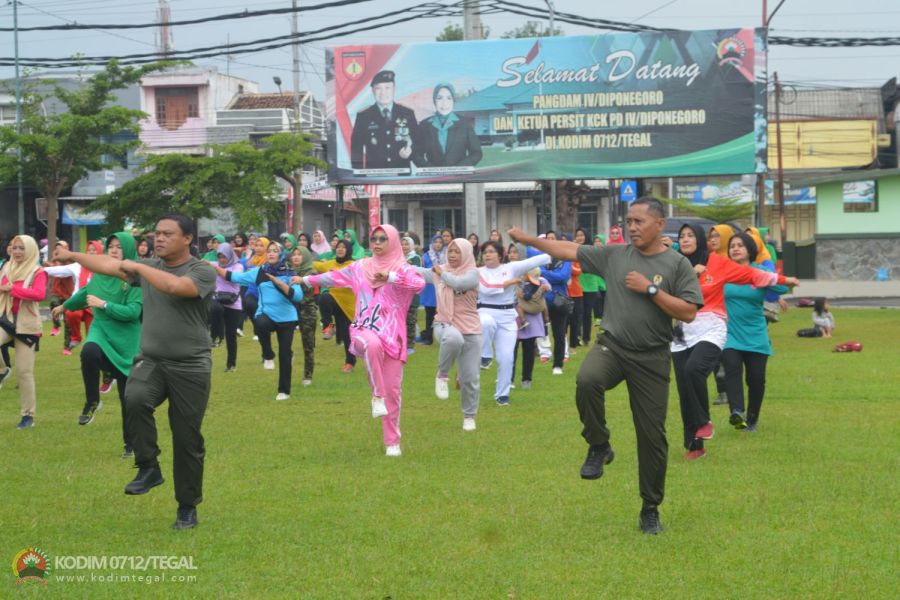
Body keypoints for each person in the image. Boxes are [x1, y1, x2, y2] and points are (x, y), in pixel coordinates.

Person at [508, 197, 704, 535]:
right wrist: (529, 241)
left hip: (652, 356)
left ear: (659, 224)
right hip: (612, 345)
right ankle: (599, 445)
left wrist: (651, 289)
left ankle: (650, 507)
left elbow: (688, 311)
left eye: (639, 221)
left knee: (652, 437)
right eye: (628, 221)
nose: (631, 227)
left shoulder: (676, 265)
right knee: (587, 380)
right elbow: (568, 249)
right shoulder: (615, 255)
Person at [54, 213, 217, 530]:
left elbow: (176, 287)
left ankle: (187, 506)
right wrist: (73, 255)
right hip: (152, 360)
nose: (159, 238)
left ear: (187, 239)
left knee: (187, 439)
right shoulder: (149, 267)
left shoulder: (201, 270)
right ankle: (148, 467)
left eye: (168, 233)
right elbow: (110, 266)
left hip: (191, 365)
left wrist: (140, 267)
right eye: (156, 233)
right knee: (135, 398)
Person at [672, 223, 797, 460]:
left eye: (691, 235)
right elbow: (663, 289)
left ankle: (714, 419)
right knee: (684, 390)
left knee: (695, 370)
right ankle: (695, 445)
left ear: (701, 239)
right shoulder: (674, 263)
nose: (686, 239)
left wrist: (783, 279)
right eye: (682, 236)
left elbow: (753, 274)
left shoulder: (717, 263)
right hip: (681, 330)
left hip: (713, 326)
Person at [300, 224, 425, 456]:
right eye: (374, 239)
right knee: (371, 344)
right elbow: (333, 277)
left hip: (393, 337)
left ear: (393, 242)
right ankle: (376, 396)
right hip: (362, 330)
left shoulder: (403, 268)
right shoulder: (360, 267)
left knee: (394, 393)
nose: (376, 243)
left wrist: (391, 277)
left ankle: (392, 442)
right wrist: (307, 280)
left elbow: (419, 284)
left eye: (382, 239)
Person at [52, 233, 142, 457]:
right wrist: (65, 307)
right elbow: (85, 293)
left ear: (129, 250)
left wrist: (104, 304)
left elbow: (133, 313)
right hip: (101, 330)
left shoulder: (135, 278)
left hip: (126, 340)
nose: (113, 250)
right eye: (110, 246)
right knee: (89, 352)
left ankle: (130, 444)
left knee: (127, 398)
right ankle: (93, 401)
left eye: (119, 247)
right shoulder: (100, 275)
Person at [721, 232, 790, 432]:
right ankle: (737, 412)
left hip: (756, 334)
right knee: (732, 369)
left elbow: (781, 289)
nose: (735, 248)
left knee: (756, 379)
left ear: (750, 250)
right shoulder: (725, 273)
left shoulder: (758, 272)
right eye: (732, 245)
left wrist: (766, 279)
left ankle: (752, 419)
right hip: (730, 333)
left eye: (740, 245)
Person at [412, 239, 482, 431]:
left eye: (457, 252)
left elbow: (459, 284)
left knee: (470, 378)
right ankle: (442, 375)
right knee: (453, 338)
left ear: (466, 254)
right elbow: (418, 273)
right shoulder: (439, 270)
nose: (452, 255)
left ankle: (469, 415)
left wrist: (442, 274)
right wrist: (395, 268)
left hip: (471, 328)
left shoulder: (473, 274)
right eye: (450, 251)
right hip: (444, 323)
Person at [221, 241, 303, 400]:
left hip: (287, 318)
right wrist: (215, 269)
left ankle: (284, 391)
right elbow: (235, 277)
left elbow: (298, 296)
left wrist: (281, 283)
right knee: (259, 324)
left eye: (275, 251)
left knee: (285, 354)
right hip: (267, 314)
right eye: (269, 251)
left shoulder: (290, 273)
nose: (271, 253)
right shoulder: (259, 272)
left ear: (281, 254)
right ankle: (268, 354)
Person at [477, 241, 550, 405]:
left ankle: (502, 395)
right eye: (485, 252)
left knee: (507, 358)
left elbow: (536, 260)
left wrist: (556, 250)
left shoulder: (511, 268)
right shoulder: (478, 271)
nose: (487, 255)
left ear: (500, 254)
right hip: (485, 311)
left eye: (491, 251)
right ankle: (485, 356)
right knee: (486, 322)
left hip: (508, 316)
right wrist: (509, 283)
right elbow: (487, 289)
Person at [0, 234, 46, 430]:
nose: (17, 252)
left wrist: (13, 290)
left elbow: (39, 294)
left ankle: (28, 416)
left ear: (30, 250)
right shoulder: (7, 267)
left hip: (27, 326)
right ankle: (2, 370)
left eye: (21, 248)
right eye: (15, 248)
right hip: (7, 320)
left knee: (24, 373)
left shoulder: (38, 271)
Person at [44, 241, 103, 355]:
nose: (91, 252)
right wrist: (41, 270)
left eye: (94, 250)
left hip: (94, 306)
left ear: (99, 251)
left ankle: (102, 363)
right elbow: (59, 271)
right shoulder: (78, 266)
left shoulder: (103, 267)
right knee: (71, 312)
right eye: (89, 250)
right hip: (79, 302)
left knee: (92, 339)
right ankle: (75, 337)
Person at [350, 70, 418, 171]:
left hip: (401, 175)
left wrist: (411, 151)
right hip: (374, 175)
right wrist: (360, 173)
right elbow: (356, 149)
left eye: (387, 88)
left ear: (394, 89)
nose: (383, 93)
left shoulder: (407, 113)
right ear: (373, 91)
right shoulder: (363, 116)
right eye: (378, 88)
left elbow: (419, 142)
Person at [314, 240, 358, 372]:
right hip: (333, 301)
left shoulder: (354, 265)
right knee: (324, 297)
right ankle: (328, 326)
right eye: (338, 247)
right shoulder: (330, 263)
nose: (340, 249)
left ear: (348, 250)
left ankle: (350, 363)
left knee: (347, 336)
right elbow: (315, 265)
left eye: (343, 247)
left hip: (347, 306)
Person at [414, 83, 482, 168]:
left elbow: (476, 153)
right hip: (434, 178)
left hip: (459, 177)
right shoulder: (424, 125)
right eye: (439, 98)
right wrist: (430, 170)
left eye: (449, 98)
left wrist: (460, 168)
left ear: (454, 101)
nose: (444, 103)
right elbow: (416, 155)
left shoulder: (465, 124)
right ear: (434, 101)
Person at [208, 242, 244, 371]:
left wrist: (216, 268)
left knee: (231, 335)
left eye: (224, 257)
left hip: (234, 304)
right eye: (219, 257)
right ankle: (214, 336)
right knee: (215, 308)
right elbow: (199, 263)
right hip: (217, 300)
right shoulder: (215, 264)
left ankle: (231, 364)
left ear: (230, 256)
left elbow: (232, 278)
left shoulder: (238, 266)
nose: (222, 260)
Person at [541, 246, 572, 375]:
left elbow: (563, 276)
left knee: (559, 333)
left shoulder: (566, 260)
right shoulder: (542, 259)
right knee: (540, 332)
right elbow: (538, 273)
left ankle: (558, 364)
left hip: (559, 301)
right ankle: (544, 354)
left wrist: (547, 275)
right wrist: (555, 276)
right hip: (542, 301)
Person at [291, 246, 318, 386]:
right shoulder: (289, 272)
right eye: (294, 254)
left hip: (307, 311)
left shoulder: (311, 273)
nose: (296, 257)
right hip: (291, 310)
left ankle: (308, 375)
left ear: (306, 256)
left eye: (299, 255)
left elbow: (305, 290)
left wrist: (298, 280)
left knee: (308, 345)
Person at [416, 234, 444, 345]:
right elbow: (422, 270)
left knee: (442, 313)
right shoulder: (426, 256)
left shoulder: (445, 255)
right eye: (435, 242)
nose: (438, 244)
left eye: (440, 242)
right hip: (429, 288)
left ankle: (443, 336)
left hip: (441, 286)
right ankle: (428, 337)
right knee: (429, 313)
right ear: (432, 243)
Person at [241, 236, 269, 343]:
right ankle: (257, 330)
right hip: (252, 291)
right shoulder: (252, 260)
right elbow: (241, 263)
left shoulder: (269, 261)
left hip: (265, 293)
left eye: (261, 246)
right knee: (249, 304)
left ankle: (261, 332)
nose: (258, 248)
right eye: (256, 245)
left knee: (262, 316)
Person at [580, 234, 606, 344]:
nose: (598, 243)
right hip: (581, 285)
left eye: (600, 241)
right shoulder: (586, 252)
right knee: (581, 313)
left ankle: (587, 338)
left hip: (594, 286)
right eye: (596, 240)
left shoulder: (605, 253)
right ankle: (579, 337)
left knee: (590, 313)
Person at [401, 236, 421, 355]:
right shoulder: (398, 258)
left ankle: (410, 345)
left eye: (406, 244)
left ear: (412, 246)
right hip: (400, 295)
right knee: (401, 320)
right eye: (402, 244)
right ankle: (401, 343)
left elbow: (415, 273)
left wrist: (406, 265)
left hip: (412, 295)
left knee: (410, 321)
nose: (404, 246)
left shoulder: (415, 258)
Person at [568, 229, 587, 348]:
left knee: (577, 318)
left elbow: (578, 271)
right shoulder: (568, 257)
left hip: (577, 291)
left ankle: (575, 341)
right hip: (568, 292)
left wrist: (570, 269)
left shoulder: (576, 257)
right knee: (568, 320)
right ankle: (569, 342)